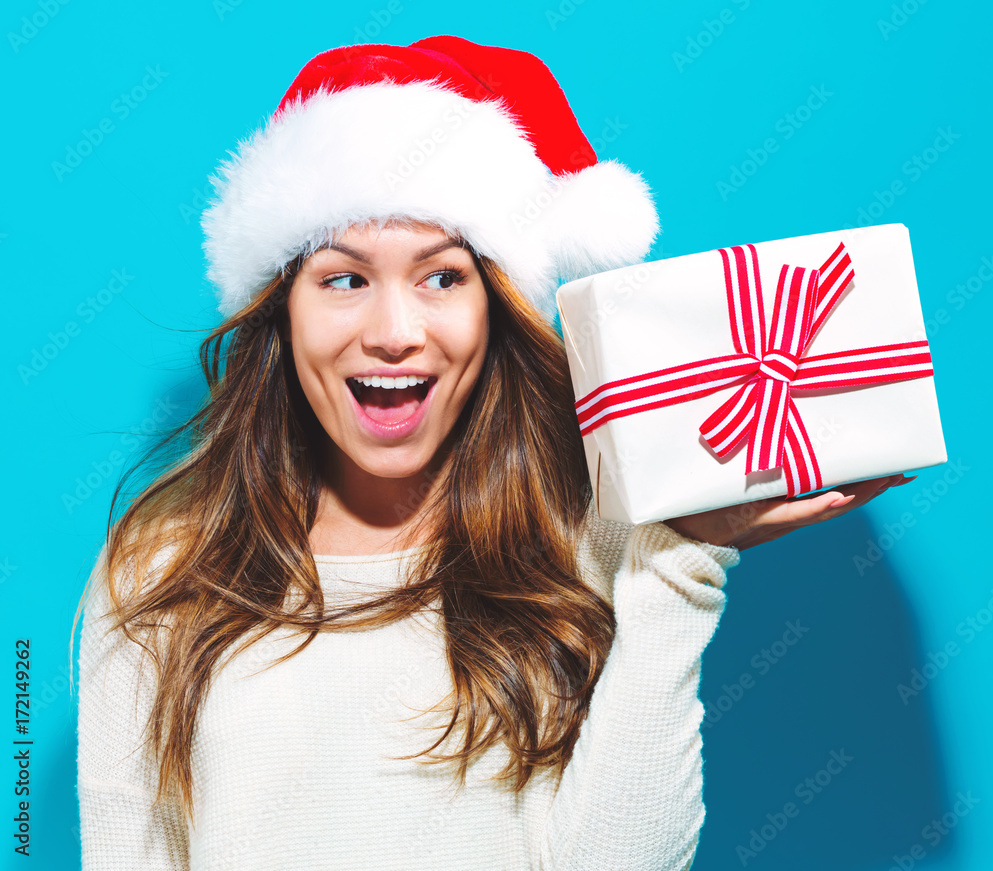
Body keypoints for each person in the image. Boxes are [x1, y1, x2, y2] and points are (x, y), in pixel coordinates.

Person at [73, 35, 911, 871]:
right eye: (343, 279)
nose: (395, 334)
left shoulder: (591, 538)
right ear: (281, 312)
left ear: (497, 309)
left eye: (443, 277)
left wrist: (681, 562)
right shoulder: (159, 574)